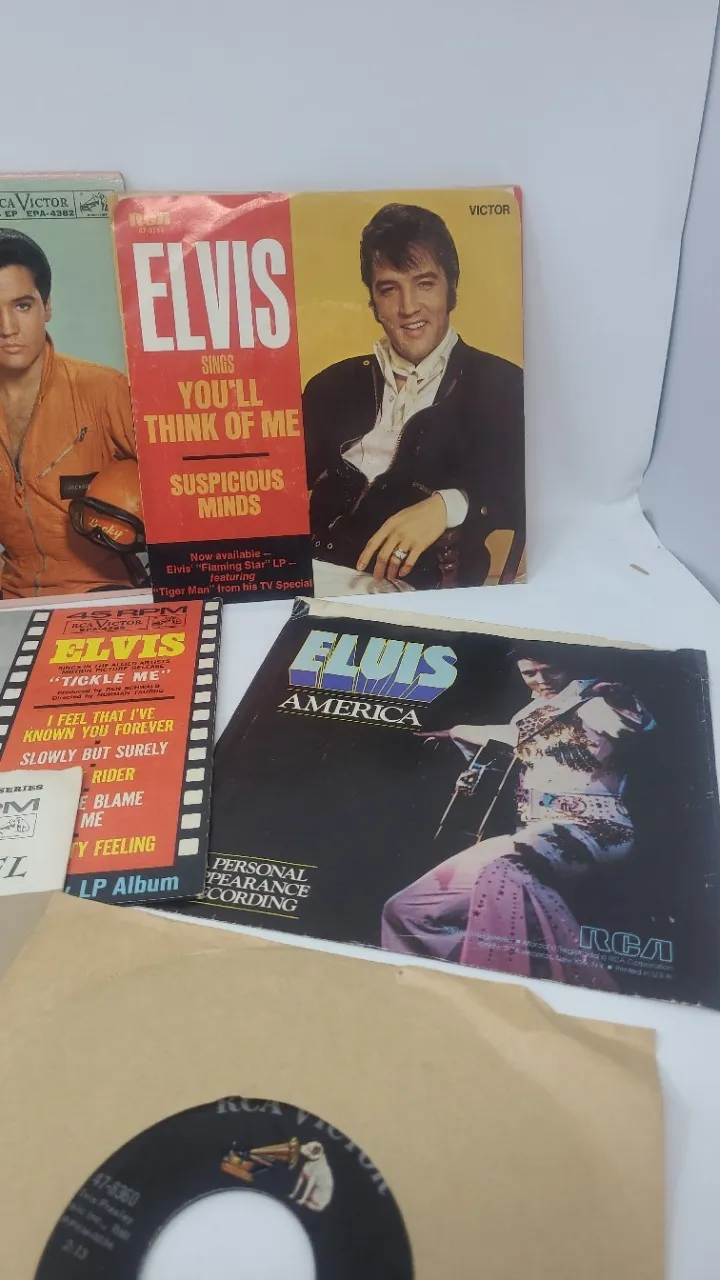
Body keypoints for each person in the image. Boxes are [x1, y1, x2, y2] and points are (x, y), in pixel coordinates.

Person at [381, 653, 656, 988]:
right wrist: (453, 732)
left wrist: (620, 699)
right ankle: (452, 985)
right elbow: (510, 734)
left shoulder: (592, 703)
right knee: (406, 910)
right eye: (530, 673)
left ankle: (524, 983)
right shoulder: (529, 715)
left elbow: (632, 724)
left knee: (506, 869)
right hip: (532, 833)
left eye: (551, 669)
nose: (541, 681)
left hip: (592, 828)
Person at [302, 203, 524, 592]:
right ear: (373, 301)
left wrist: (448, 504)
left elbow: (530, 488)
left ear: (451, 288)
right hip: (306, 569)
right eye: (389, 289)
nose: (408, 308)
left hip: (408, 588)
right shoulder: (331, 385)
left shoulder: (499, 384)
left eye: (425, 283)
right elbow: (274, 481)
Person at [0, 228, 138, 597]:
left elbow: (184, 489)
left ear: (46, 306)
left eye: (22, 305)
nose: (7, 329)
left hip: (103, 590)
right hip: (12, 594)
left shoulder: (103, 389)